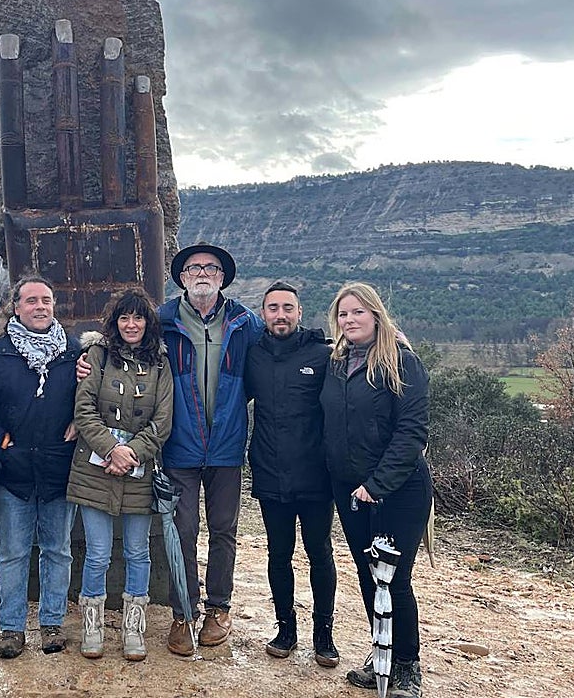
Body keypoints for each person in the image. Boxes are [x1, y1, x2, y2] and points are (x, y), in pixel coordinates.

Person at [319, 282, 431, 698]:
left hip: (398, 490)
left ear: (377, 316)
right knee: (370, 577)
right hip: (349, 490)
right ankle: (380, 653)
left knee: (394, 579)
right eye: (343, 314)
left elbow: (411, 433)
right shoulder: (336, 362)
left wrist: (377, 484)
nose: (350, 320)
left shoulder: (402, 363)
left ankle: (406, 666)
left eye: (358, 313)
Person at [158, 241, 262, 655]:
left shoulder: (245, 322)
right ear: (182, 278)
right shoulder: (162, 321)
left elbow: (282, 347)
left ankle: (219, 609)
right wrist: (87, 357)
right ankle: (183, 612)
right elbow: (118, 342)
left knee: (224, 531)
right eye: (194, 267)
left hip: (226, 447)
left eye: (211, 268)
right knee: (181, 532)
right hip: (178, 447)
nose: (202, 273)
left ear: (222, 278)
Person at [0, 275, 81, 659]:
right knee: (13, 553)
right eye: (31, 300)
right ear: (15, 307)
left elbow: (88, 397)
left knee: (58, 550)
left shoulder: (72, 353)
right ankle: (11, 628)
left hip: (58, 468)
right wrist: (0, 439)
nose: (40, 306)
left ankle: (52, 623)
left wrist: (80, 423)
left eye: (46, 300)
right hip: (12, 471)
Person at [68, 289, 173, 662]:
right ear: (115, 322)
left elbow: (162, 421)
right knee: (96, 554)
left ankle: (133, 628)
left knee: (137, 553)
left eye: (139, 318)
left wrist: (131, 454)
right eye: (125, 318)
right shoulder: (96, 356)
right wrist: (112, 450)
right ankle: (92, 626)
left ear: (148, 323)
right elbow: (84, 409)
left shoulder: (161, 365)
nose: (132, 325)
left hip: (139, 473)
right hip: (94, 470)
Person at [244, 281, 338, 665]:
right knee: (278, 554)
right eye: (272, 308)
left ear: (300, 313)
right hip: (270, 472)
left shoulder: (323, 354)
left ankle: (324, 634)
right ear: (262, 314)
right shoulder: (253, 355)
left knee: (320, 554)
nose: (280, 315)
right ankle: (285, 629)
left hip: (316, 476)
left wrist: (398, 344)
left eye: (287, 308)